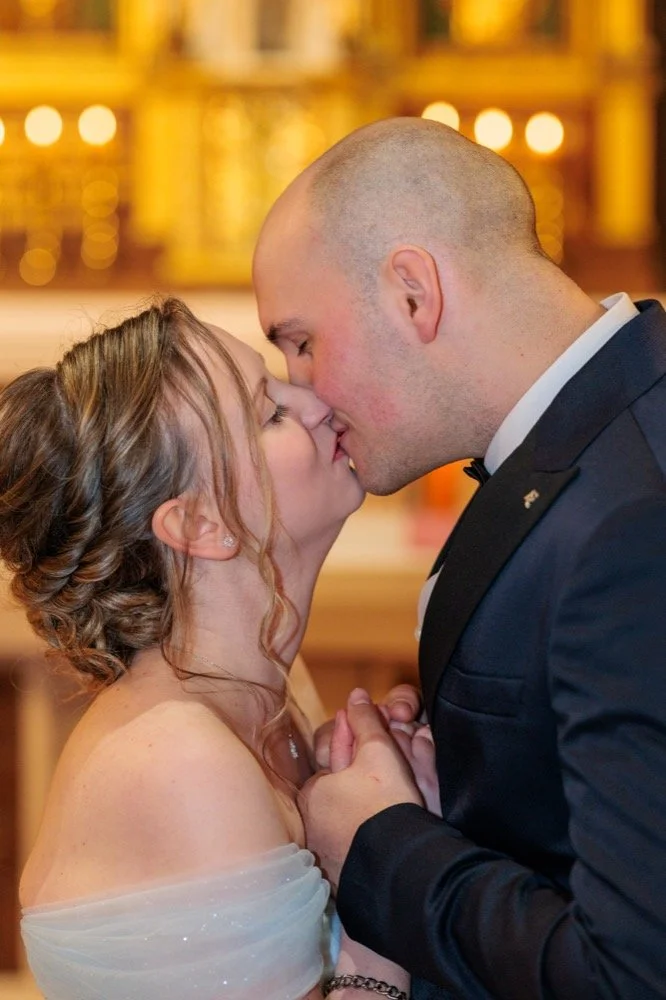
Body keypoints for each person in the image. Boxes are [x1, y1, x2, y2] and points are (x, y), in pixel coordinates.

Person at [252, 116, 666, 998]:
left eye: (301, 342)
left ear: (412, 292)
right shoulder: (596, 443)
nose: (302, 393)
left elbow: (630, 975)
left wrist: (385, 842)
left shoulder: (633, 518)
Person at [0, 297, 410, 1000]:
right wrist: (392, 874)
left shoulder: (273, 699)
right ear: (198, 523)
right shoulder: (182, 764)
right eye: (269, 412)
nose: (314, 401)